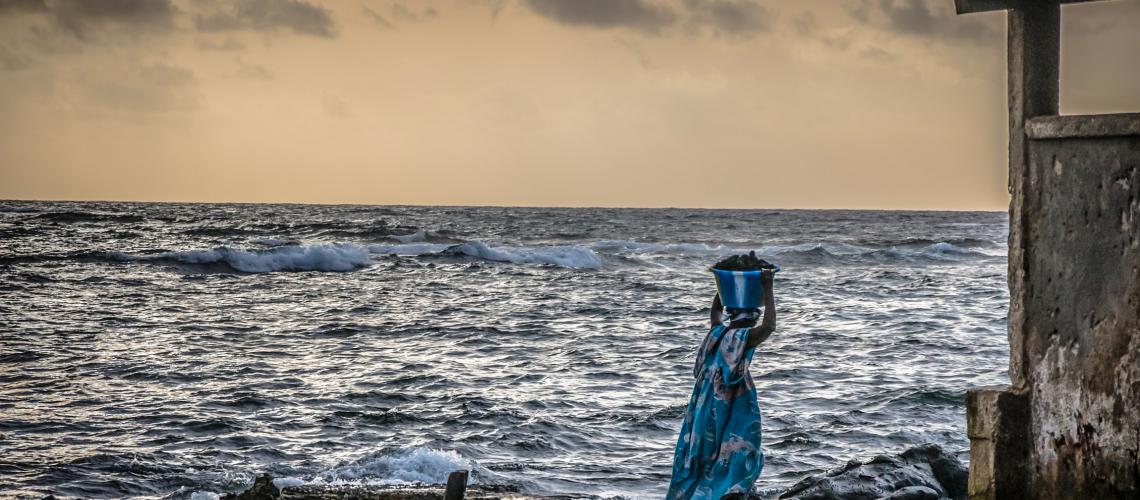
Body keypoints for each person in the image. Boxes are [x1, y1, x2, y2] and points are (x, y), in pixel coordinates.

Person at [667, 267, 776, 500]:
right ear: (750, 319)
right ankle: (727, 491)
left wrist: (723, 285)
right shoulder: (743, 337)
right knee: (743, 443)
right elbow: (769, 327)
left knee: (706, 449)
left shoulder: (717, 333)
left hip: (705, 401)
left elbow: (716, 311)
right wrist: (768, 287)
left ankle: (704, 491)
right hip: (731, 399)